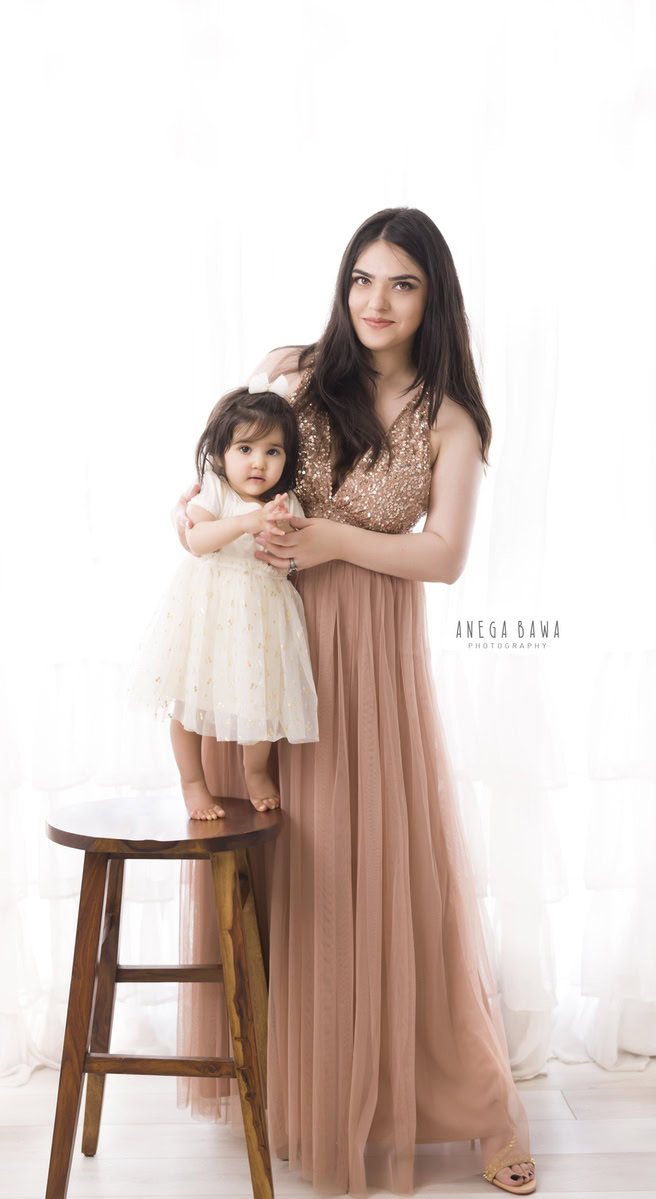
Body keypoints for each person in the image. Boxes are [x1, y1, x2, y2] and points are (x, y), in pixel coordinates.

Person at [172, 208, 537, 1196]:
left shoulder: (450, 415)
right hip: (265, 644)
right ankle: (295, 1089)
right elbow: (215, 473)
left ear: (432, 298)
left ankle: (468, 1103)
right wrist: (195, 514)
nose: (374, 302)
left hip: (370, 660)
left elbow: (445, 556)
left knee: (380, 871)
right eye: (361, 280)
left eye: (401, 284)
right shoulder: (292, 370)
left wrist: (332, 541)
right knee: (285, 857)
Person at [128, 375, 318, 821]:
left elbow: (295, 553)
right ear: (221, 454)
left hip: (260, 615)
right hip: (207, 608)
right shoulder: (215, 490)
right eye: (245, 449)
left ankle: (255, 771)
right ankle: (193, 780)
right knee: (187, 697)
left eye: (273, 452)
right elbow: (198, 539)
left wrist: (279, 527)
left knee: (260, 697)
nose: (259, 463)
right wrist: (247, 522)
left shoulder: (284, 503)